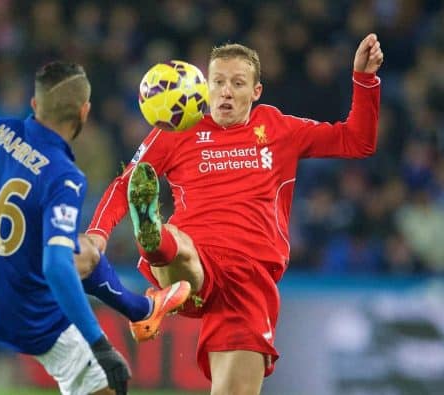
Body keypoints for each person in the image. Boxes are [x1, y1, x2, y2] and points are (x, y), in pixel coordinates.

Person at [86, 33, 385, 394]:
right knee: (182, 247)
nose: (226, 91)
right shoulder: (178, 129)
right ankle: (154, 239)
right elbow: (124, 184)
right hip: (197, 255)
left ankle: (159, 258)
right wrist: (98, 234)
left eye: (237, 83)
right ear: (205, 87)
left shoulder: (279, 129)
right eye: (218, 82)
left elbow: (357, 141)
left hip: (248, 276)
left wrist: (364, 80)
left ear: (256, 91)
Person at [0, 61, 143, 395]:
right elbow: (56, 266)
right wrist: (99, 341)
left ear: (34, 104)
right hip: (32, 315)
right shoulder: (65, 177)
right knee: (107, 386)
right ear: (85, 112)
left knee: (86, 251)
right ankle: (141, 310)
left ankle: (141, 309)